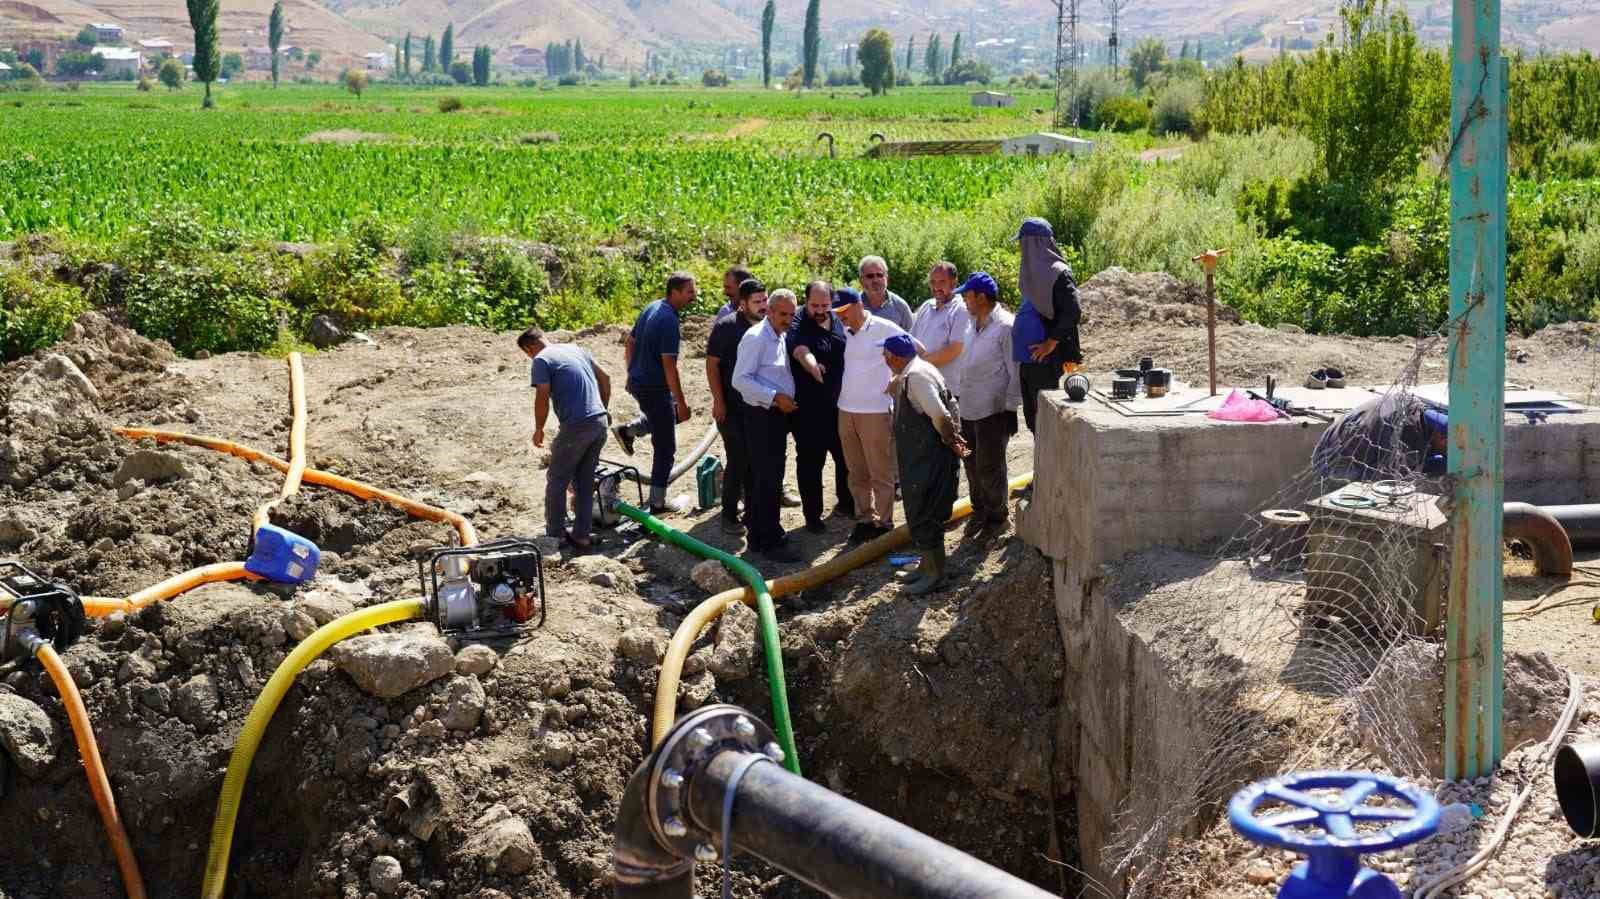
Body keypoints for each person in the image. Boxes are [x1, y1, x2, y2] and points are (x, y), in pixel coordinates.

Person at [881, 333, 968, 593]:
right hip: (919, 457)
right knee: (919, 511)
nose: (884, 361)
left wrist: (953, 442)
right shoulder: (917, 370)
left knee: (927, 513)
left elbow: (940, 415)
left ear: (895, 357)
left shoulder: (917, 377)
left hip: (929, 458)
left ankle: (935, 574)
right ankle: (926, 567)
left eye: (885, 356)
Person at [519, 327, 611, 551]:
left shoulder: (541, 359)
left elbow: (542, 394)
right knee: (584, 481)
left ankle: (556, 534)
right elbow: (606, 378)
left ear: (529, 348)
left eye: (527, 353)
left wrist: (539, 428)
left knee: (557, 479)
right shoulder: (576, 349)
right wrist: (602, 410)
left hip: (576, 426)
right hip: (599, 422)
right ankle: (581, 535)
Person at [832, 286, 909, 544]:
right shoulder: (843, 329)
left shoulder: (883, 327)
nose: (840, 316)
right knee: (856, 471)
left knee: (881, 472)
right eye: (837, 311)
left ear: (857, 305)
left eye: (843, 310)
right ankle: (865, 518)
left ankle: (885, 523)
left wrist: (898, 379)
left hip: (875, 411)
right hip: (846, 410)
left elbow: (915, 349)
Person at [615, 272, 695, 511]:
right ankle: (658, 503)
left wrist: (632, 371)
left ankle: (628, 431)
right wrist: (681, 402)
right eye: (690, 291)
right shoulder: (669, 321)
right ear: (676, 292)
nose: (694, 296)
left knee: (664, 419)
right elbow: (669, 366)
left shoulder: (652, 307)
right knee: (666, 446)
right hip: (653, 388)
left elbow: (630, 341)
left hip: (641, 382)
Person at [732, 290, 801, 562]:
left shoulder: (778, 334)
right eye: (783, 314)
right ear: (770, 311)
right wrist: (775, 398)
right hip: (762, 415)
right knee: (766, 477)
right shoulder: (757, 338)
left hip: (774, 415)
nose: (787, 319)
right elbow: (740, 380)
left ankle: (761, 536)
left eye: (791, 314)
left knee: (768, 476)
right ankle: (770, 540)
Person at [951, 272, 1020, 539]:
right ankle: (979, 510)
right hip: (968, 406)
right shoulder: (971, 324)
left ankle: (997, 517)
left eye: (967, 296)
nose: (964, 301)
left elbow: (1015, 371)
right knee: (971, 461)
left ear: (981, 297)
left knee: (990, 466)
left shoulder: (1005, 327)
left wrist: (1011, 408)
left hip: (993, 409)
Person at [788, 280, 854, 532]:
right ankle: (812, 517)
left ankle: (846, 504)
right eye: (814, 305)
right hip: (809, 411)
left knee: (845, 459)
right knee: (810, 465)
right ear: (806, 301)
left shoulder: (835, 318)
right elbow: (800, 349)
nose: (819, 310)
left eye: (824, 305)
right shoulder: (798, 322)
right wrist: (812, 366)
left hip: (840, 407)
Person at [706, 279, 769, 533]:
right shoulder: (727, 327)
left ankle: (753, 512)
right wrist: (719, 401)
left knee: (757, 459)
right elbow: (712, 365)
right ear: (742, 304)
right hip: (731, 408)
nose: (763, 306)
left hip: (758, 406)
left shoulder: (768, 325)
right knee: (738, 460)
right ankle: (729, 516)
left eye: (765, 300)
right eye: (757, 302)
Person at [1011, 218, 1082, 433]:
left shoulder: (1058, 273)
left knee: (1045, 421)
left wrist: (1051, 343)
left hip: (1044, 361)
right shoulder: (1033, 273)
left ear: (1032, 244)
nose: (1020, 248)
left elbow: (1072, 311)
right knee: (1033, 420)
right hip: (1029, 362)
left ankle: (1053, 466)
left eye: (1022, 243)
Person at [1312, 393, 1448, 482]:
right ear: (1443, 438)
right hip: (1332, 465)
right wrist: (1423, 467)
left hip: (1334, 443)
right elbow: (1384, 481)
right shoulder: (1405, 442)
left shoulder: (1413, 404)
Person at [910, 260, 970, 399]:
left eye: (942, 282)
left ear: (954, 283)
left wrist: (917, 365)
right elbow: (912, 340)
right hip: (921, 385)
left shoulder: (961, 309)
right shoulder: (926, 306)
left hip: (947, 390)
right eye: (933, 282)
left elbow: (954, 350)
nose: (936, 287)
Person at [857, 255, 914, 331]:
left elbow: (912, 337)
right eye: (870, 276)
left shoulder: (900, 307)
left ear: (886, 278)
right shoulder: (853, 306)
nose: (875, 280)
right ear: (861, 280)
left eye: (880, 275)